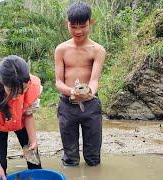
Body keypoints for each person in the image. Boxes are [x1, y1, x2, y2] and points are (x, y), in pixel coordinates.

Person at [54, 1, 106, 167]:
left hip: (91, 105)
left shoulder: (97, 50)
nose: (78, 31)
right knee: (70, 158)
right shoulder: (61, 49)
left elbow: (94, 79)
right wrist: (72, 92)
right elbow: (58, 82)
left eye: (82, 26)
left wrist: (89, 91)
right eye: (73, 26)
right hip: (67, 106)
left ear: (90, 23)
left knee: (93, 158)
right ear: (67, 24)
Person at [0, 55, 42, 180]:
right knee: (0, 168)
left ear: (28, 82)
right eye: (12, 91)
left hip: (21, 122)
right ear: (2, 83)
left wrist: (33, 141)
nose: (18, 96)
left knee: (34, 160)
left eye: (23, 90)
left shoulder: (32, 85)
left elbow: (28, 115)